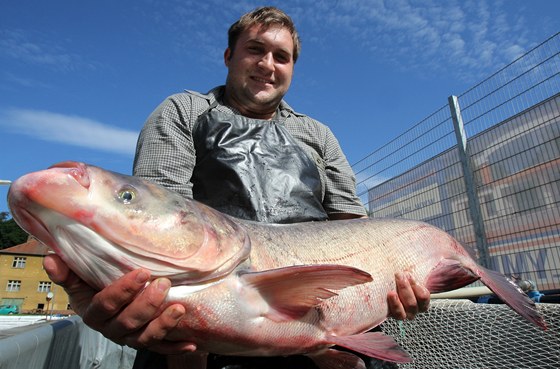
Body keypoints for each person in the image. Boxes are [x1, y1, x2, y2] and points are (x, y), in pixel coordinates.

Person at [43, 6, 430, 369]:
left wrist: (379, 295)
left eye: (282, 56)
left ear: (293, 68)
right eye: (255, 50)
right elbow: (153, 220)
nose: (267, 65)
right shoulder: (185, 111)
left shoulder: (317, 135)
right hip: (200, 336)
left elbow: (352, 224)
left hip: (314, 324)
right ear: (229, 56)